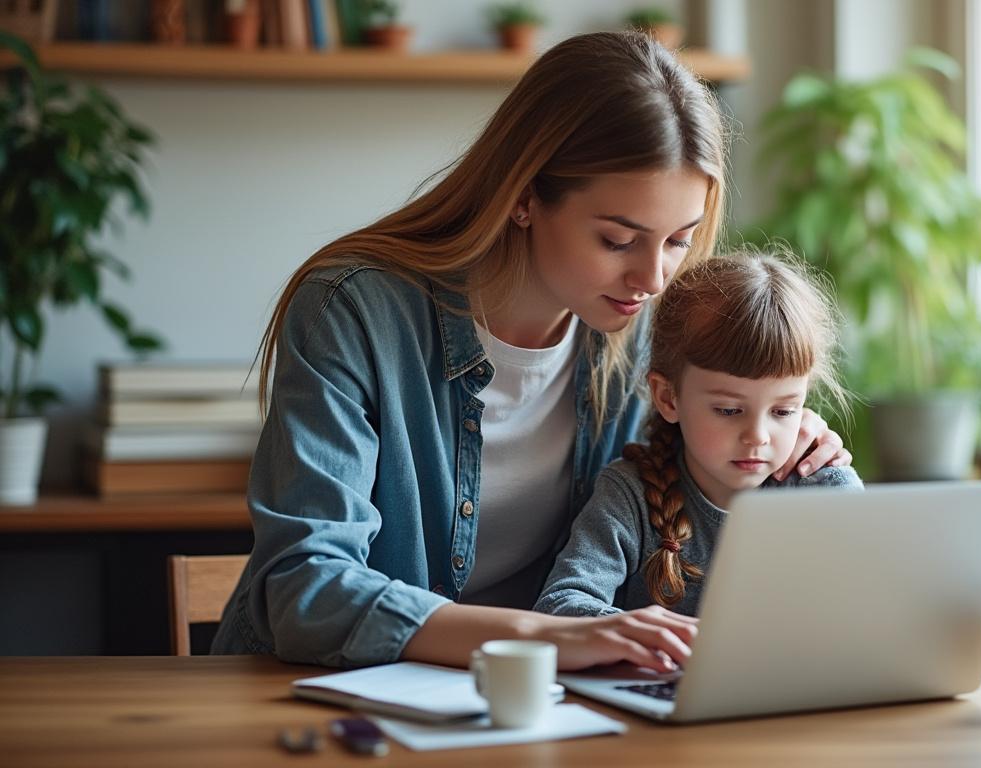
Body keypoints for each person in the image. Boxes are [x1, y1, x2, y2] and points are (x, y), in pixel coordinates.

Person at [211, 32, 851, 672]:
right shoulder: (354, 312)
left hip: (548, 705)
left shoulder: (647, 340)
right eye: (618, 239)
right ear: (524, 196)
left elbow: (689, 496)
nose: (654, 278)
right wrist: (547, 637)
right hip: (332, 695)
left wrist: (778, 426)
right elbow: (304, 588)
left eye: (679, 241)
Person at [535, 252, 863, 618]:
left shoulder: (824, 490)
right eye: (728, 410)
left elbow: (881, 606)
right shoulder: (630, 496)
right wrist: (652, 635)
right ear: (667, 397)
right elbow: (560, 605)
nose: (757, 436)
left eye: (783, 411)